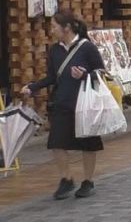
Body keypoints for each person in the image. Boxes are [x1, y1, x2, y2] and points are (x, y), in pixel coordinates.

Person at [21, 11, 106, 200]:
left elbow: (101, 72)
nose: (51, 30)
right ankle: (66, 179)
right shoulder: (55, 50)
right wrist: (32, 87)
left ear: (66, 28)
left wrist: (84, 75)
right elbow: (52, 77)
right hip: (62, 102)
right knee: (56, 142)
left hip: (85, 104)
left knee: (88, 143)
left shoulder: (87, 48)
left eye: (54, 26)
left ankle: (88, 181)